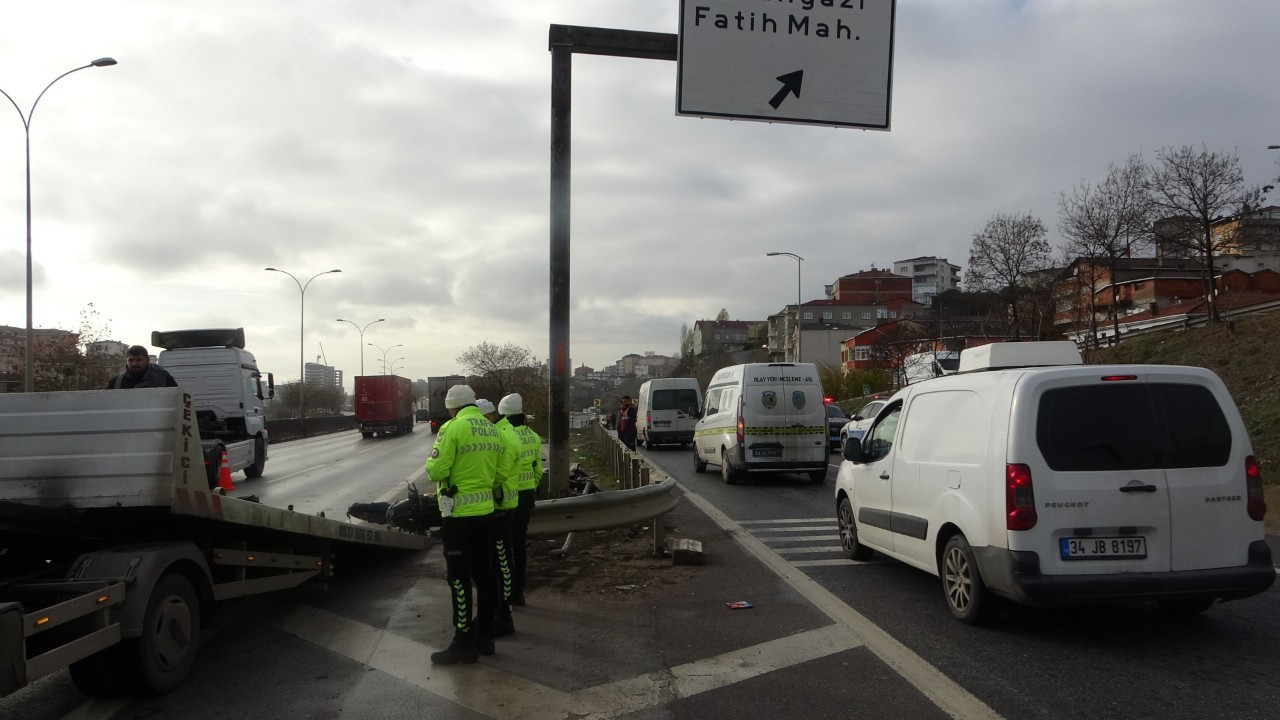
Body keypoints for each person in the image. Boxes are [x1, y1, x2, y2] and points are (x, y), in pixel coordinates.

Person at [425, 384, 501, 665]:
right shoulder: (492, 428)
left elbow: (437, 469)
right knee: (485, 574)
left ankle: (463, 642)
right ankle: (485, 637)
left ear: (452, 407)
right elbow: (501, 472)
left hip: (458, 516)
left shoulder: (452, 429)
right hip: (485, 513)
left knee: (458, 579)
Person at [498, 392, 542, 608]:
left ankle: (510, 589)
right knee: (519, 543)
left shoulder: (504, 435)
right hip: (526, 495)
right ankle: (520, 585)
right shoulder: (533, 436)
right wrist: (531, 488)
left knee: (505, 546)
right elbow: (538, 470)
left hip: (508, 496)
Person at [106, 345, 179, 389]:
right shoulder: (116, 382)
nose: (134, 364)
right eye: (131, 360)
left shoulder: (162, 378)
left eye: (138, 359)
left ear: (147, 360)